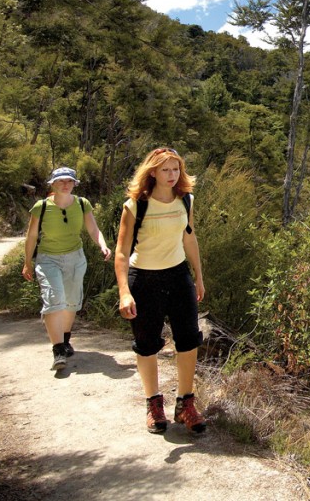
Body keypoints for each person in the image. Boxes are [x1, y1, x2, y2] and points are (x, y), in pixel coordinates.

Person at [114, 148, 206, 434]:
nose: (172, 175)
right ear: (152, 172)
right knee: (147, 344)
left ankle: (185, 405)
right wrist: (124, 292)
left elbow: (189, 239)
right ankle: (154, 404)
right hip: (144, 279)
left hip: (178, 276)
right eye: (165, 170)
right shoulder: (135, 206)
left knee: (189, 340)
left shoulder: (185, 200)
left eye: (176, 169)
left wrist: (198, 277)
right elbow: (121, 252)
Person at [23, 167, 112, 371]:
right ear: (52, 184)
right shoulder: (41, 206)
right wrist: (27, 262)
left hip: (75, 258)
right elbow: (32, 236)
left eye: (69, 181)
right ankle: (58, 350)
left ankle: (65, 339)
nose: (65, 184)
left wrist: (103, 245)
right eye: (61, 181)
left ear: (74, 184)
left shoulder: (82, 204)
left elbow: (93, 229)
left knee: (71, 301)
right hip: (48, 259)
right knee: (54, 298)